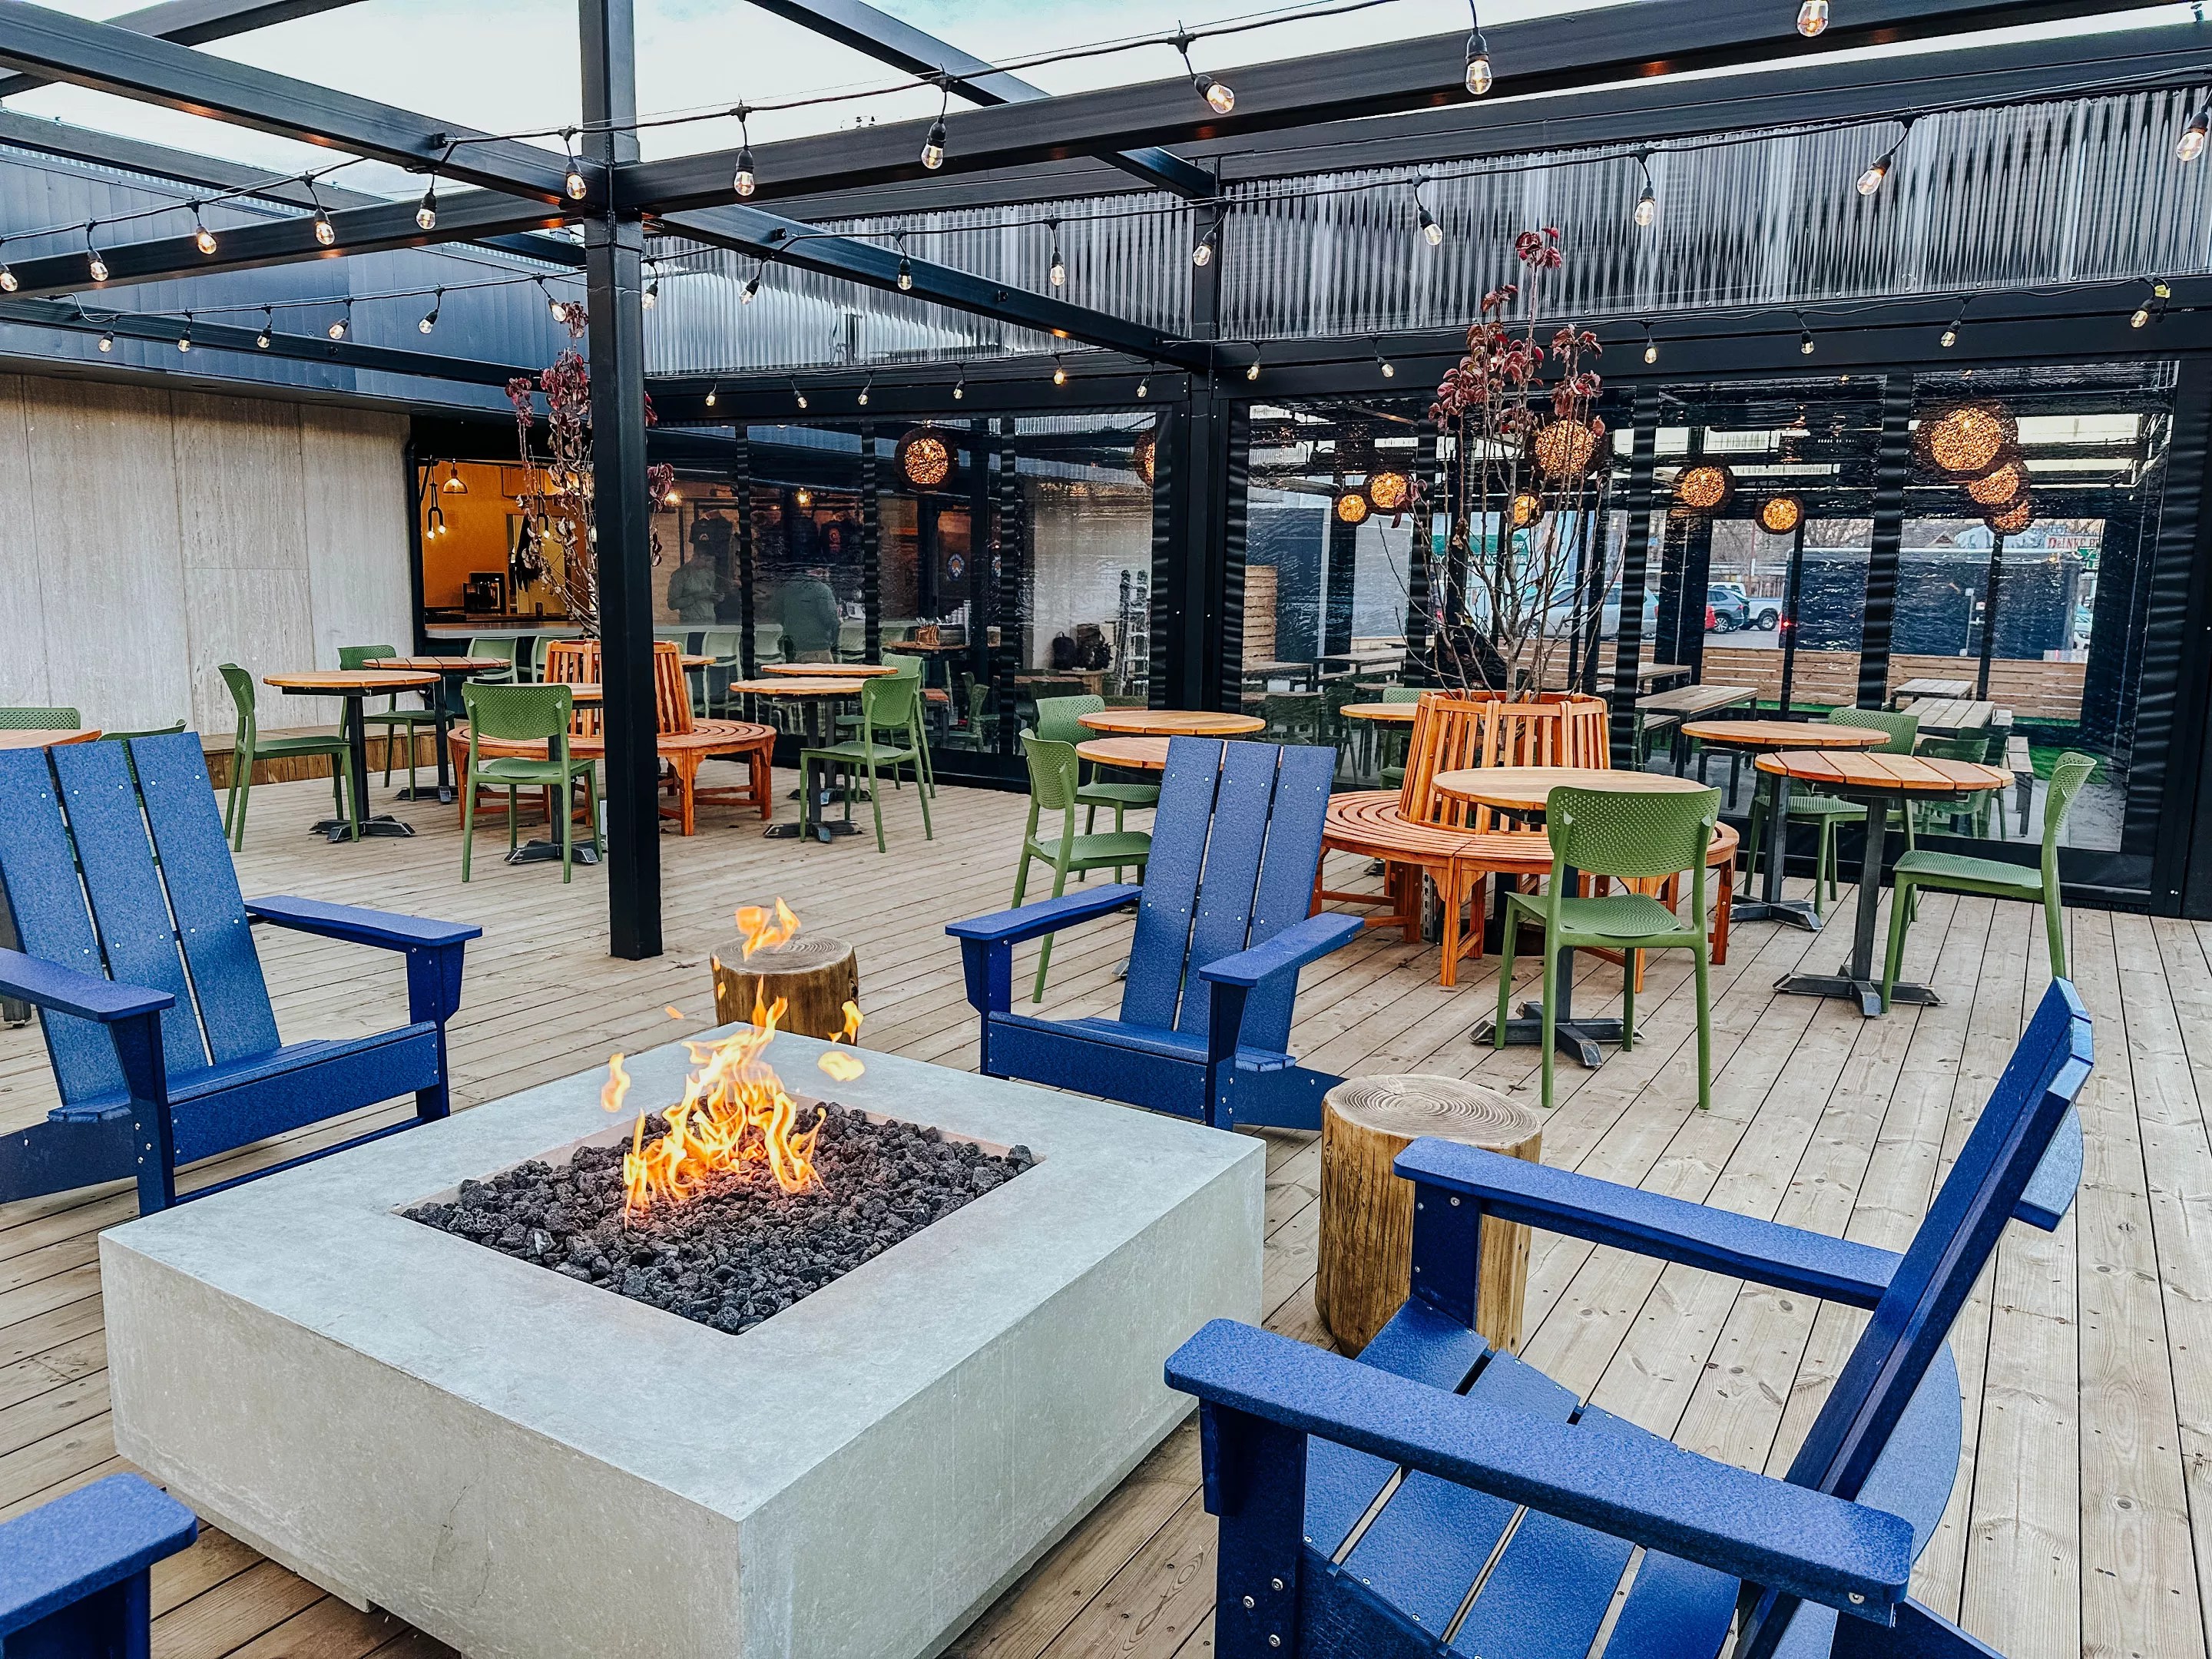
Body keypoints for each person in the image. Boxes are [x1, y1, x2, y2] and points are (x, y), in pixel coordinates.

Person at [777, 566, 841, 662]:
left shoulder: (786, 588)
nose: (828, 576)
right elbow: (831, 620)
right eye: (826, 572)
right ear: (819, 571)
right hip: (817, 648)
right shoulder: (822, 590)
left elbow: (777, 614)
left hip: (792, 647)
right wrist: (838, 620)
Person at [665, 548, 721, 625]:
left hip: (710, 621)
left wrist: (716, 598)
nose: (708, 564)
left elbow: (709, 601)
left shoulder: (709, 573)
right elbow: (672, 604)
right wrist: (696, 597)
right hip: (690, 622)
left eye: (711, 561)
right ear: (696, 557)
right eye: (706, 560)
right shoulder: (680, 574)